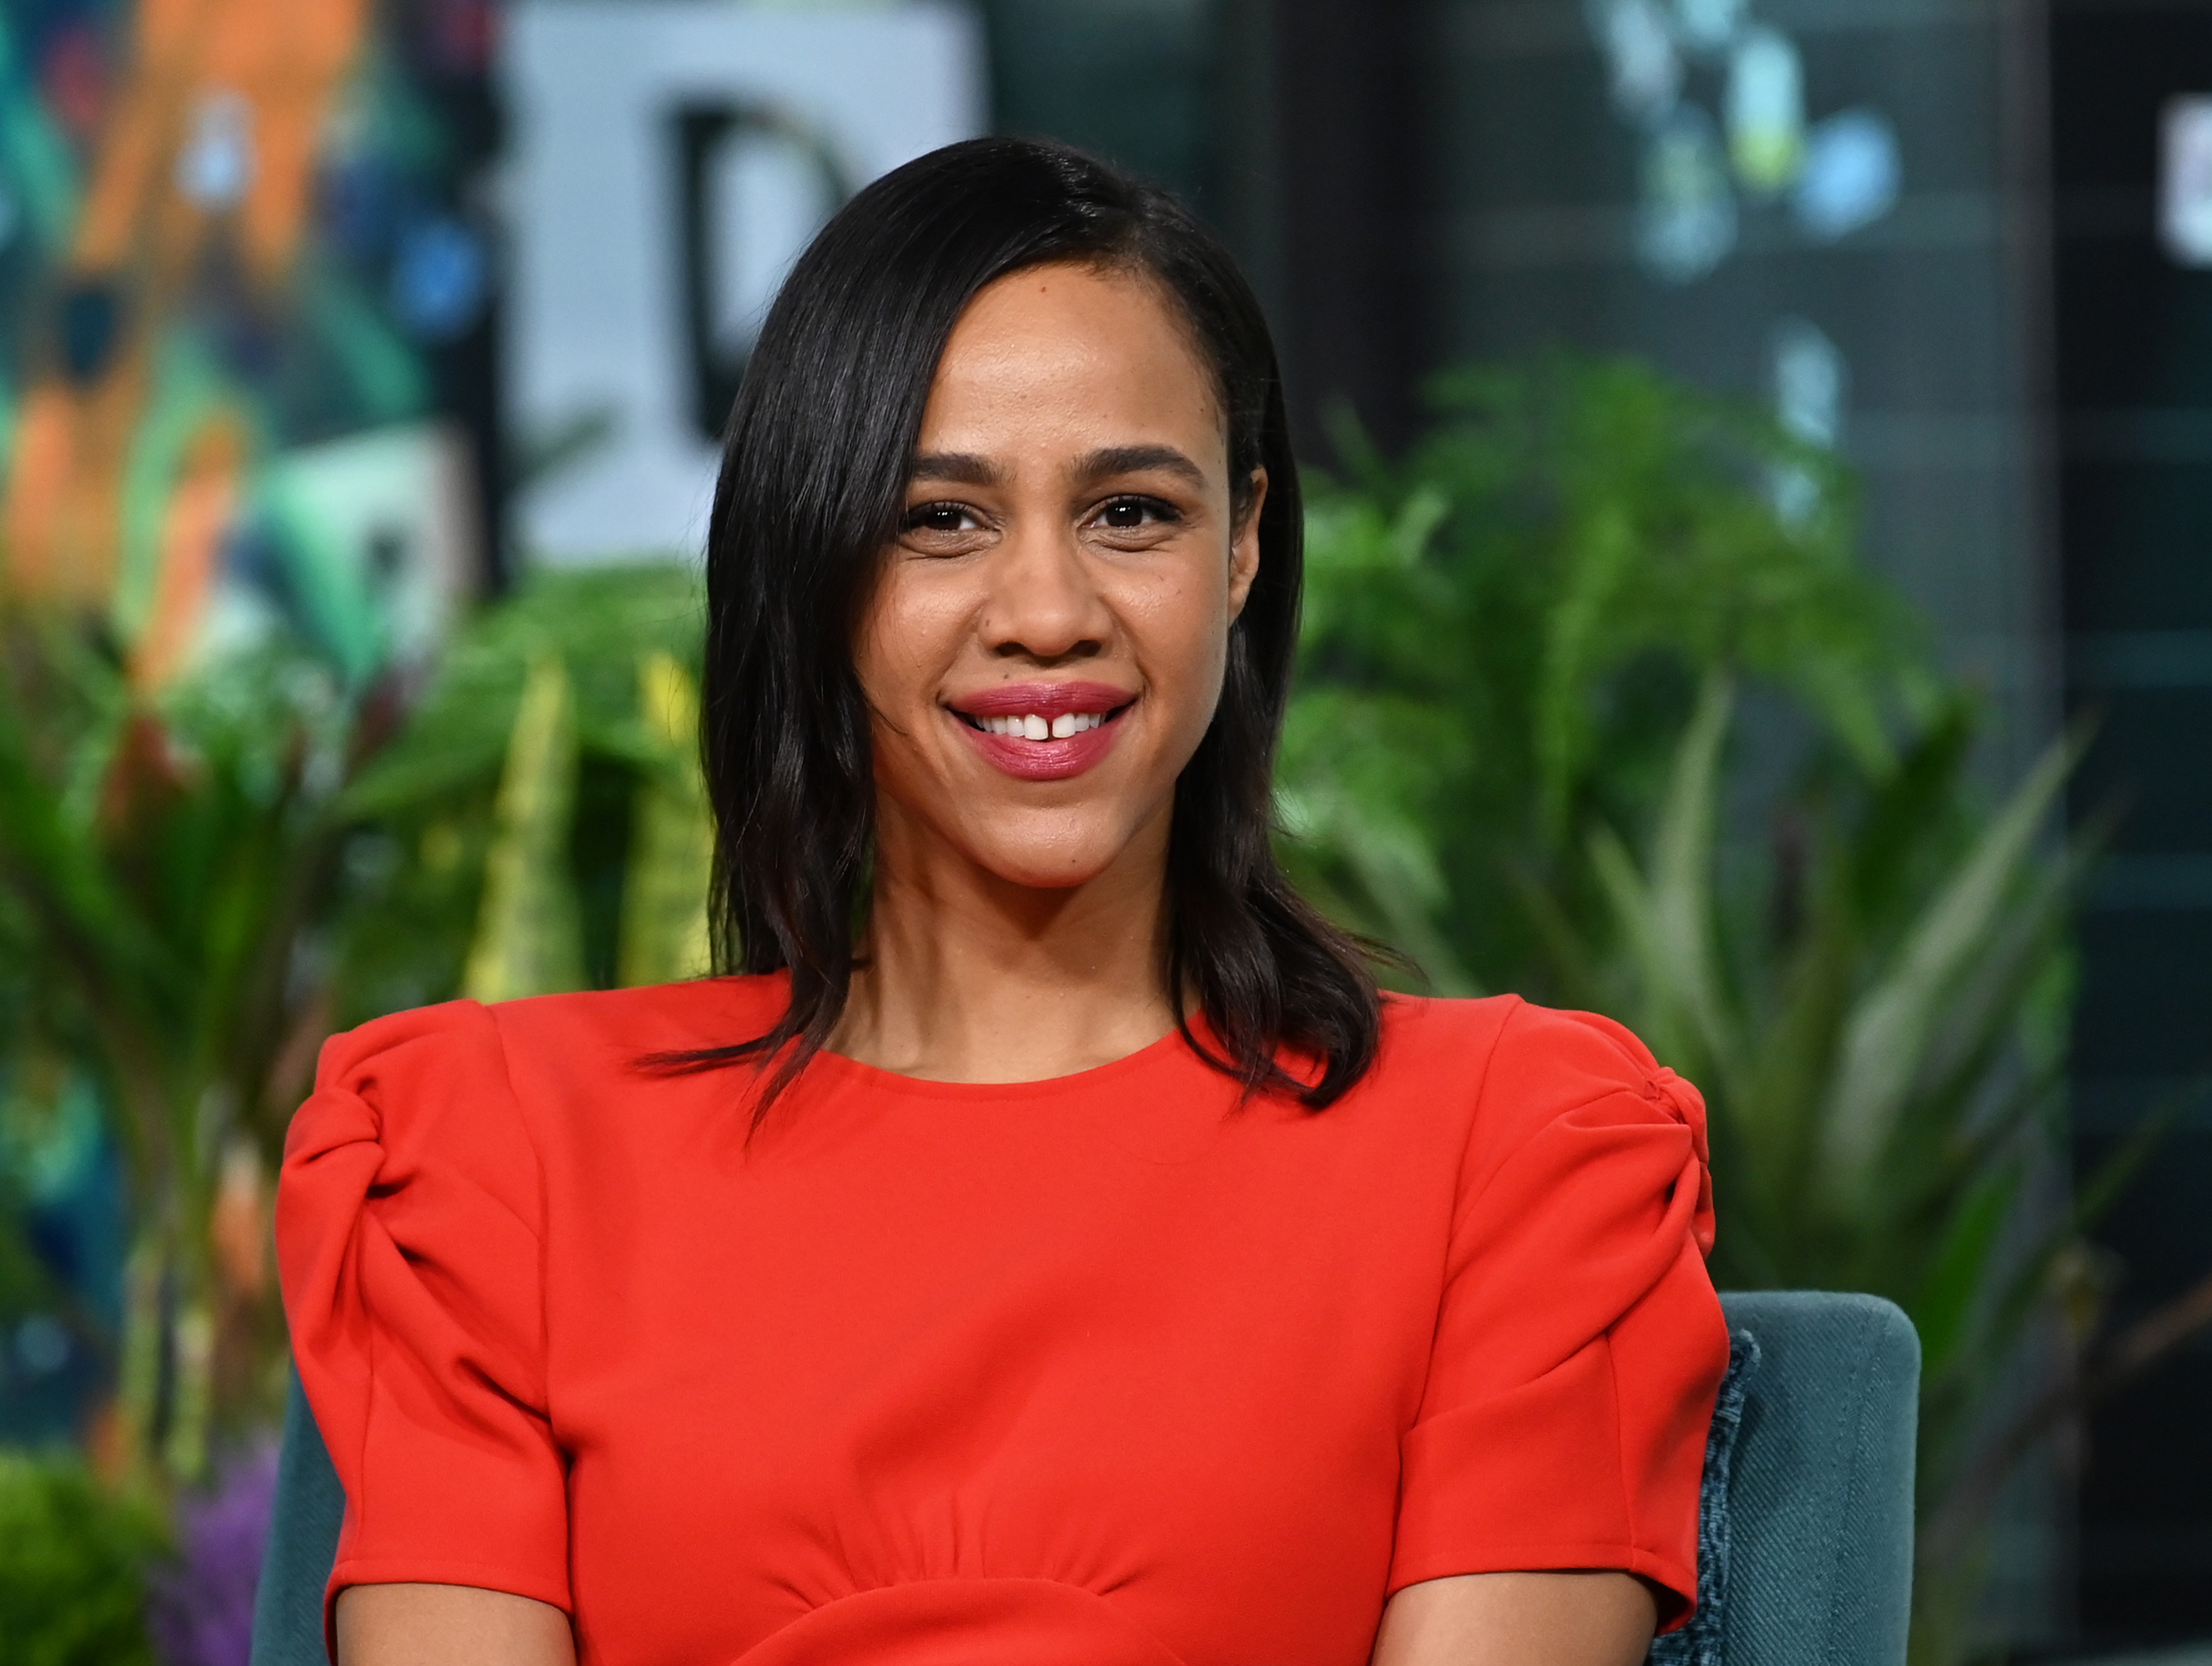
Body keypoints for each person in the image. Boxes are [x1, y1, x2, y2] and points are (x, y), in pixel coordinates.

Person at [278, 137, 1726, 1666]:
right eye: (940, 520)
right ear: (816, 563)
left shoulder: (1515, 1156)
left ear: (1241, 542)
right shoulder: (493, 1158)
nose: (1047, 612)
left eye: (1132, 515)